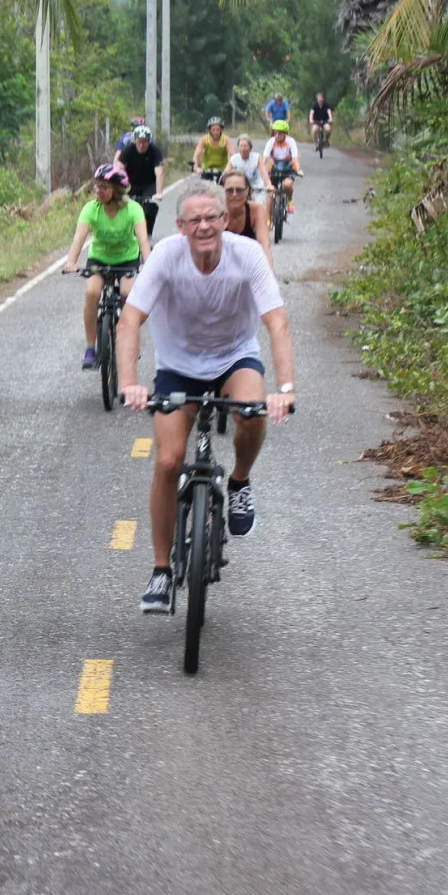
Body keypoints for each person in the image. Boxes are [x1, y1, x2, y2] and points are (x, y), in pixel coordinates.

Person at [116, 178, 297, 613]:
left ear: (225, 219)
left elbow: (277, 324)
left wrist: (285, 389)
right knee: (167, 460)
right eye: (194, 219)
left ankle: (238, 482)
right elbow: (129, 321)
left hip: (234, 358)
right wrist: (128, 382)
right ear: (180, 225)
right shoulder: (165, 257)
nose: (204, 227)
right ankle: (161, 571)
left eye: (212, 217)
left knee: (252, 414)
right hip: (178, 366)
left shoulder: (246, 255)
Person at [63, 164, 152, 370]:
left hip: (127, 259)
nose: (98, 191)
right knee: (92, 292)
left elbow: (143, 240)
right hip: (100, 259)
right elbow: (79, 237)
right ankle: (90, 348)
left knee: (128, 294)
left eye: (104, 187)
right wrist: (71, 262)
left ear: (117, 190)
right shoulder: (91, 209)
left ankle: (127, 336)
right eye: (97, 186)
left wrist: (148, 263)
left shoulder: (133, 210)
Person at [114, 124, 165, 227]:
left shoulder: (155, 151)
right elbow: (119, 169)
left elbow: (159, 173)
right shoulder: (128, 150)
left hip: (149, 184)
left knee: (150, 206)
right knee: (122, 205)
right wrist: (118, 189)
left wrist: (159, 193)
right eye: (139, 142)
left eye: (145, 142)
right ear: (135, 141)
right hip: (131, 183)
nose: (142, 145)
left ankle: (148, 233)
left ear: (149, 141)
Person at [221, 169, 271, 264]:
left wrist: (269, 275)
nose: (234, 195)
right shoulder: (216, 212)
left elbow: (265, 244)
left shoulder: (256, 210)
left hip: (248, 264)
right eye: (229, 190)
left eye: (239, 190)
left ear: (248, 191)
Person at [265, 119, 302, 214]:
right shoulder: (271, 141)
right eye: (275, 132)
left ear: (285, 133)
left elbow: (295, 157)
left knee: (287, 185)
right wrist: (259, 170)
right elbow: (264, 158)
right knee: (270, 192)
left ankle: (289, 201)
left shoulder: (291, 141)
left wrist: (298, 169)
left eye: (280, 133)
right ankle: (268, 221)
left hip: (288, 168)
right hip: (274, 168)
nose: (276, 135)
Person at [191, 117, 230, 182]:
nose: (216, 132)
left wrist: (229, 168)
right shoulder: (204, 139)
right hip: (206, 170)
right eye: (213, 130)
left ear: (221, 130)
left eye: (218, 130)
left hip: (222, 171)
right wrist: (196, 167)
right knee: (204, 189)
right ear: (209, 130)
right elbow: (196, 155)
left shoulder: (226, 140)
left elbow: (233, 155)